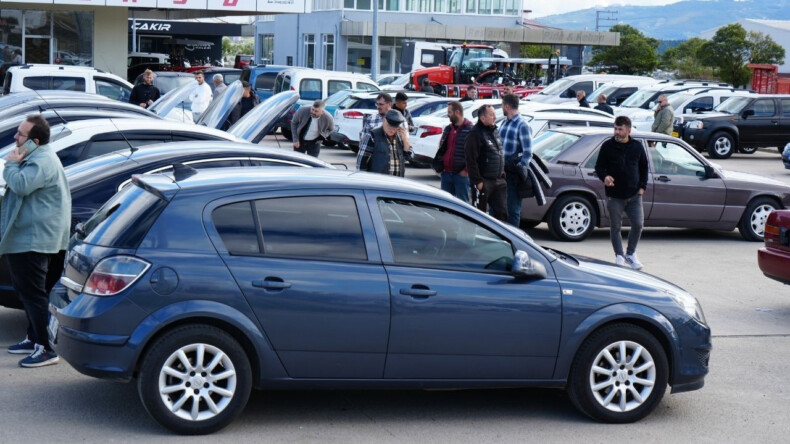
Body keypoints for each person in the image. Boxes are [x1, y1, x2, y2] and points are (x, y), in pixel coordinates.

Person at [2, 115, 71, 368]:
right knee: (28, 292)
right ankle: (33, 338)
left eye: (20, 135)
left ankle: (46, 348)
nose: (15, 138)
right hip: (33, 237)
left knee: (33, 294)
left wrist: (10, 165)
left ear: (35, 141)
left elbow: (20, 185)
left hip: (33, 239)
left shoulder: (41, 160)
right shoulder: (36, 157)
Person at [594, 116, 648, 270]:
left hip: (634, 195)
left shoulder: (637, 147)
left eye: (620, 129)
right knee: (615, 227)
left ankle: (630, 254)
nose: (617, 132)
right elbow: (599, 167)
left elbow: (644, 168)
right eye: (615, 129)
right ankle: (619, 255)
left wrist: (642, 187)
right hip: (614, 195)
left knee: (638, 224)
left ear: (628, 131)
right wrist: (605, 177)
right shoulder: (607, 146)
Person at [465, 104, 507, 222]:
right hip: (484, 181)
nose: (495, 117)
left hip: (498, 181)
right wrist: (477, 181)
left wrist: (502, 175)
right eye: (491, 115)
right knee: (478, 215)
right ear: (483, 118)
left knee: (502, 214)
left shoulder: (494, 131)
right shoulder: (475, 134)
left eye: (494, 114)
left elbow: (499, 153)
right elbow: (470, 160)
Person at [499, 93, 532, 227]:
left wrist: (520, 167)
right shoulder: (504, 123)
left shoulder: (522, 125)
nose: (501, 108)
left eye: (502, 105)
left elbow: (528, 152)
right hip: (500, 172)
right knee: (500, 208)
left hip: (512, 174)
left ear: (507, 106)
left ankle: (513, 239)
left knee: (513, 210)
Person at [432, 101, 473, 203]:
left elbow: (475, 153)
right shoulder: (448, 129)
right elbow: (442, 148)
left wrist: (465, 171)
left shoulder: (470, 129)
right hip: (446, 173)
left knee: (463, 206)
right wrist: (441, 167)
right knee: (445, 205)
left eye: (449, 112)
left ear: (457, 112)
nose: (448, 115)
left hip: (461, 175)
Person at [356, 109, 411, 177]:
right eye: (389, 126)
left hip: (397, 181)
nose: (392, 130)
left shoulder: (400, 136)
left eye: (395, 128)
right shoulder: (372, 135)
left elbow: (410, 156)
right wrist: (364, 178)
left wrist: (405, 140)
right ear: (384, 120)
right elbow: (361, 161)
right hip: (378, 182)